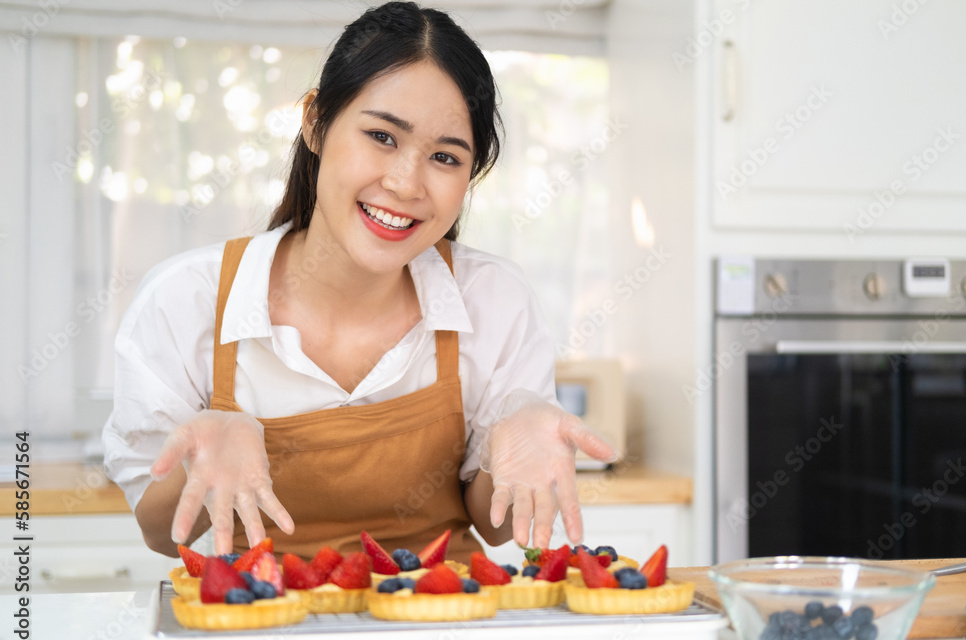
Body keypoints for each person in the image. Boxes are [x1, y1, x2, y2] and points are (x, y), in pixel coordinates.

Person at [102, 1, 616, 563]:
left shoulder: (495, 300)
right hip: (256, 629)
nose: (404, 182)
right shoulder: (185, 300)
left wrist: (513, 432)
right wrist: (206, 447)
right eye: (382, 136)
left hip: (437, 627)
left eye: (445, 157)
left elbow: (491, 529)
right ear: (315, 123)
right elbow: (160, 535)